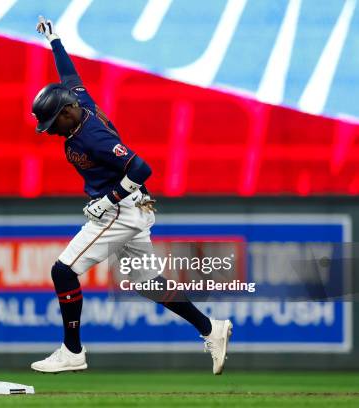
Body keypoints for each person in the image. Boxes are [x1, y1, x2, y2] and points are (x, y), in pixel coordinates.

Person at [30, 16, 232, 375]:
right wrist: (56, 41)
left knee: (63, 271)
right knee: (147, 282)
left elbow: (141, 169)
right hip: (132, 208)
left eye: (51, 124)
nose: (49, 132)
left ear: (66, 113)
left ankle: (72, 351)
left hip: (120, 210)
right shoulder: (77, 102)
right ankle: (210, 328)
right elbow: (69, 76)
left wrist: (109, 199)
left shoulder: (93, 136)